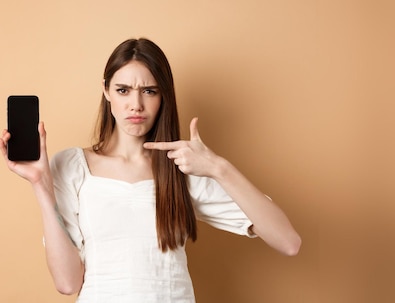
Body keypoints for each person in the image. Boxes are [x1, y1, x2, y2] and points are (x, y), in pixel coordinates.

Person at [0, 38, 301, 302]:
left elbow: (288, 242)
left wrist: (218, 167)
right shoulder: (71, 165)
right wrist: (41, 184)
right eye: (123, 90)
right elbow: (67, 283)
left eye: (149, 91)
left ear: (163, 96)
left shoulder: (182, 166)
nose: (136, 104)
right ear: (106, 91)